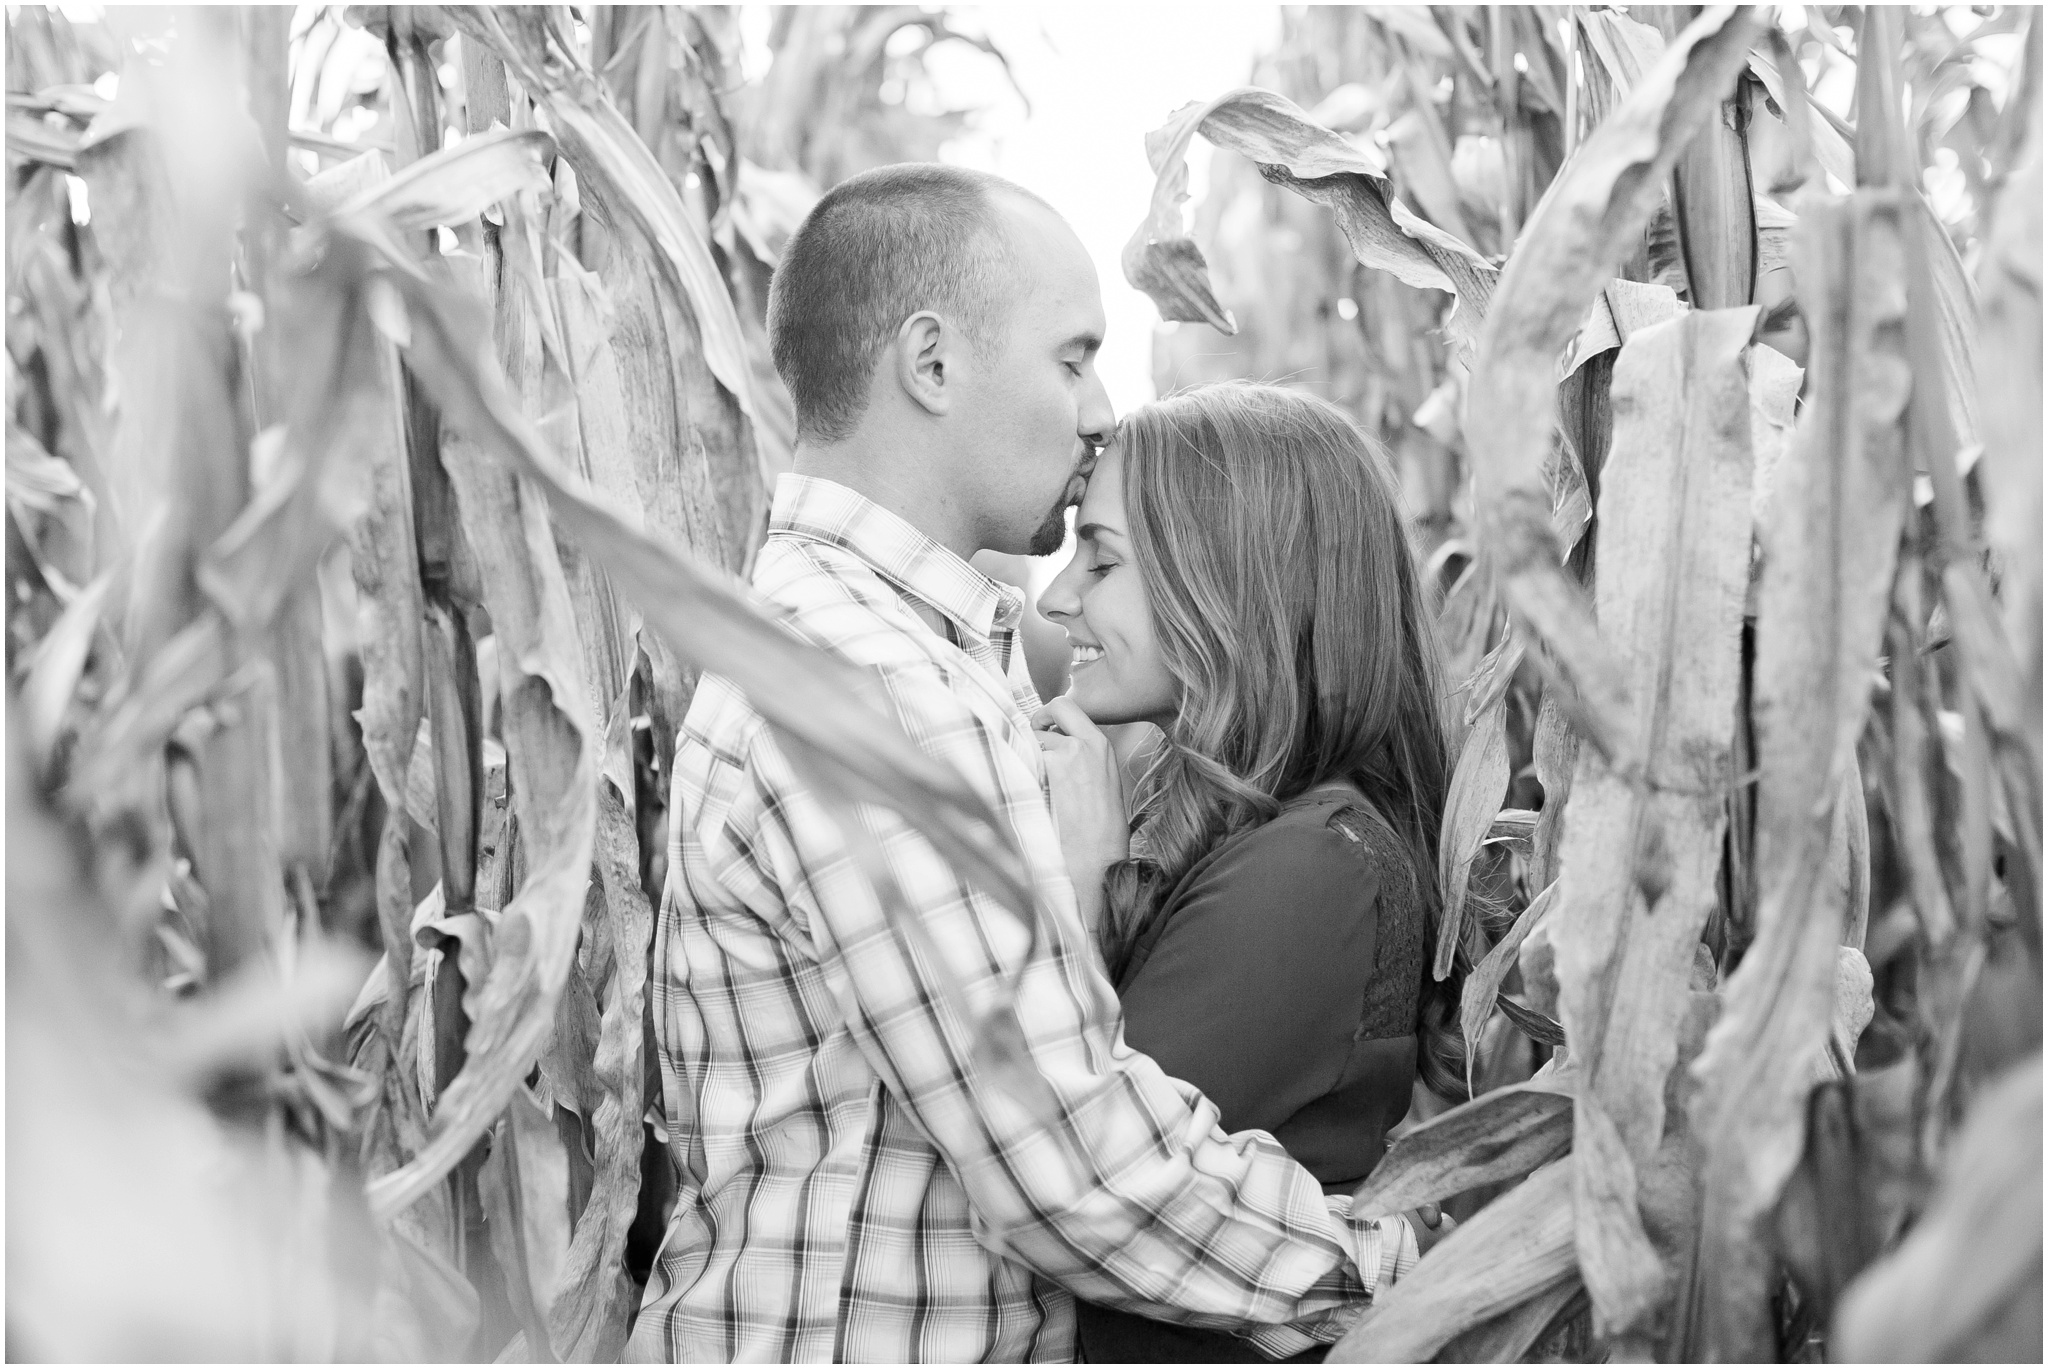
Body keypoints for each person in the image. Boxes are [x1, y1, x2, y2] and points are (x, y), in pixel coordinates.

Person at [627, 163, 1424, 1364]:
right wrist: (1410, 1271)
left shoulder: (917, 665)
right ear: (932, 363)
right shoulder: (869, 687)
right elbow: (1064, 1163)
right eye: (1071, 356)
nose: (1100, 405)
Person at [1031, 382, 1466, 1362]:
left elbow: (1081, 1163)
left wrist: (1085, 896)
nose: (1058, 598)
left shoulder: (1316, 865)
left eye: (1099, 558)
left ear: (1227, 578)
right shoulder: (1283, 836)